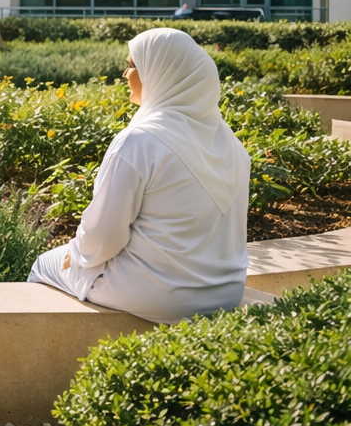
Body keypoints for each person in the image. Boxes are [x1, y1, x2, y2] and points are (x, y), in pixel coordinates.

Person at [27, 28, 250, 324]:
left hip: (159, 296)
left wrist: (76, 253)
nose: (124, 74)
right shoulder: (233, 145)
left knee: (44, 264)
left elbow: (104, 237)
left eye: (133, 65)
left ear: (160, 72)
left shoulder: (139, 141)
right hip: (226, 294)